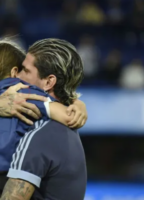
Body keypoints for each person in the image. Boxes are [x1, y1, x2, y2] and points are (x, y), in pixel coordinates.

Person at [0, 38, 87, 200]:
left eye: (25, 70)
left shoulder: (43, 130)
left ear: (48, 82)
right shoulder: (59, 128)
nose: (17, 75)